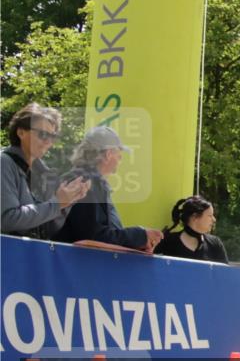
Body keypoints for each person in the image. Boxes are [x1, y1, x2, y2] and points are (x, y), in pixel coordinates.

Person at [56, 126, 162, 251]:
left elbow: (99, 236)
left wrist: (138, 242)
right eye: (119, 154)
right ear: (108, 154)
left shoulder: (92, 182)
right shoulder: (83, 182)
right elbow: (91, 238)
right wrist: (139, 236)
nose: (120, 159)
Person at [2, 103, 89, 238]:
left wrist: (68, 201)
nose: (49, 142)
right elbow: (7, 220)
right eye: (43, 134)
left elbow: (46, 229)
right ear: (21, 132)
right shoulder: (4, 163)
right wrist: (57, 203)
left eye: (53, 137)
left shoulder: (42, 173)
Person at [154, 195, 228, 263]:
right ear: (194, 217)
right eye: (210, 215)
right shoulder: (168, 241)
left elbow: (224, 274)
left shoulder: (215, 244)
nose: (214, 219)